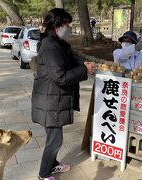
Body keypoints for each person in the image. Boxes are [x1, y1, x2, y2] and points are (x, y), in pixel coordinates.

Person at [31, 8, 95, 180]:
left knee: (54, 137)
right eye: (67, 24)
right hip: (49, 101)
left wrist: (83, 65)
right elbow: (61, 77)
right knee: (55, 140)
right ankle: (43, 174)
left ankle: (52, 164)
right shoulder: (50, 46)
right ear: (58, 25)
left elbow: (69, 62)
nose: (70, 27)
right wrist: (83, 69)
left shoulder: (57, 43)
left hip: (52, 99)